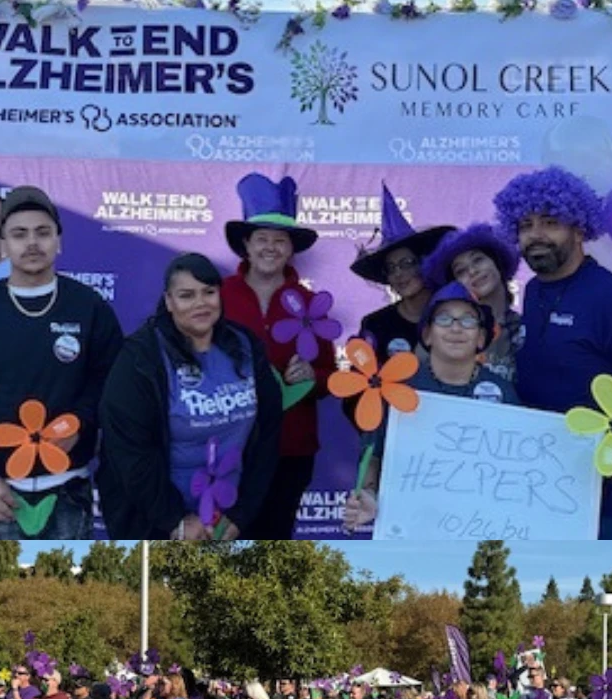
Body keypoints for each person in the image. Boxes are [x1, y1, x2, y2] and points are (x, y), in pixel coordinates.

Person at [493, 166, 612, 539]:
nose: (535, 235)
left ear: (579, 228)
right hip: (545, 482)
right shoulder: (533, 292)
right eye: (524, 225)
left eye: (550, 223)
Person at [0, 185, 124, 540]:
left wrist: (80, 425)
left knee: (76, 595)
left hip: (69, 488)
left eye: (43, 233)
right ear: (4, 244)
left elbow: (109, 382)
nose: (32, 243)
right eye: (19, 234)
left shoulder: (89, 307)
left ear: (59, 241)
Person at [98, 252, 281, 540]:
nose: (200, 304)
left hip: (229, 518)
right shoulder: (140, 358)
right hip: (158, 522)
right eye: (186, 295)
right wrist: (176, 521)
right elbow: (129, 451)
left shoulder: (245, 346)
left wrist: (240, 514)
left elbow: (268, 433)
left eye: (208, 292)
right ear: (169, 301)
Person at [343, 281, 517, 530]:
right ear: (427, 334)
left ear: (481, 337)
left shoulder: (502, 391)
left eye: (468, 321)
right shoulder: (395, 389)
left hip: (480, 527)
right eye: (444, 319)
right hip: (411, 526)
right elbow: (374, 454)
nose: (456, 328)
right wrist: (368, 494)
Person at [220, 173, 335, 539]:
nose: (271, 247)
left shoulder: (310, 302)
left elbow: (331, 374)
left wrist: (312, 378)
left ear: (291, 249)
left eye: (280, 240)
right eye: (262, 239)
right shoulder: (218, 295)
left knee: (275, 543)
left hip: (291, 446)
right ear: (247, 245)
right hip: (229, 444)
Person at [352, 182, 452, 365]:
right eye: (391, 268)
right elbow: (359, 382)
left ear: (426, 264)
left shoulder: (454, 318)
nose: (398, 274)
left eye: (406, 264)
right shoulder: (375, 324)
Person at [421, 221, 522, 381]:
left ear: (497, 263)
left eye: (478, 260)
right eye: (461, 271)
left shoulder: (528, 328)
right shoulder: (444, 333)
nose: (473, 271)